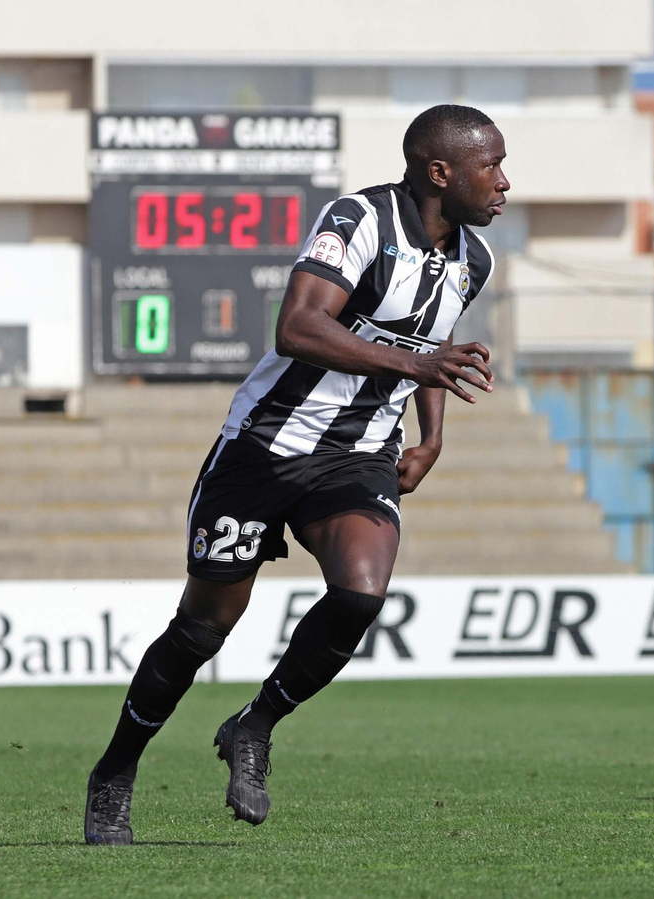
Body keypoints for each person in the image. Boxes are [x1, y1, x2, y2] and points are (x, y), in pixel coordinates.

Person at [83, 104, 509, 844]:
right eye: (492, 165)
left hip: (358, 453)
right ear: (441, 172)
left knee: (361, 593)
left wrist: (432, 438)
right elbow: (299, 327)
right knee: (202, 630)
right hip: (264, 446)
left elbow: (431, 350)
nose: (503, 182)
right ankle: (115, 771)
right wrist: (414, 365)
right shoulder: (359, 220)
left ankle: (255, 724)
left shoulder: (475, 260)